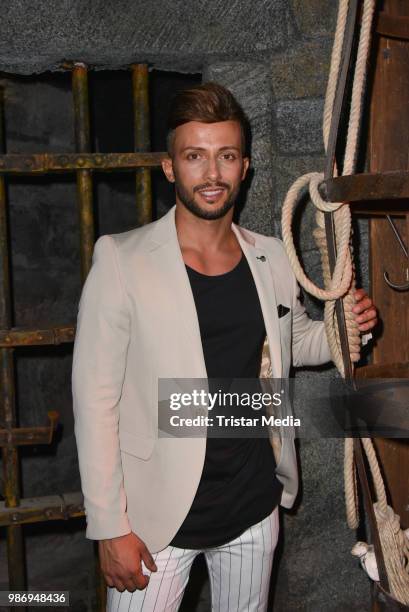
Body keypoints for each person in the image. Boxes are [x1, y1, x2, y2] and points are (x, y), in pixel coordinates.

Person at [72, 82, 378, 612]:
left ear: (245, 167)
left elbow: (295, 342)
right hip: (154, 523)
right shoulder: (122, 260)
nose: (211, 174)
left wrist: (343, 326)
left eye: (226, 156)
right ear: (170, 167)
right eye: (195, 156)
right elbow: (94, 401)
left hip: (253, 509)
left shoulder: (273, 257)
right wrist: (108, 527)